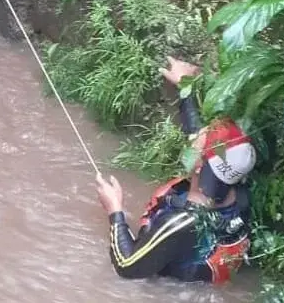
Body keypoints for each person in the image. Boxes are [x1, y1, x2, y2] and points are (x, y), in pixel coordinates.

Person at [96, 56, 256, 284]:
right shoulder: (236, 190)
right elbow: (203, 143)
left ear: (199, 166)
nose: (197, 135)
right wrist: (185, 88)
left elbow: (127, 266)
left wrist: (114, 211)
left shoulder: (182, 223)